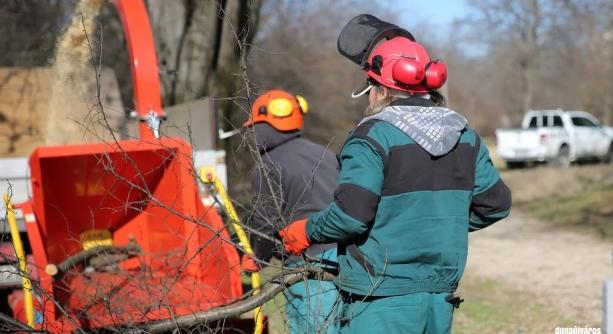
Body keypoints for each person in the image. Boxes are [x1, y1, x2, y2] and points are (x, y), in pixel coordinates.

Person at [278, 15, 512, 334]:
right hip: (438, 296)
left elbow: (350, 216)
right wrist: (438, 222)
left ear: (377, 88)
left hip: (379, 300)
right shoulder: (466, 136)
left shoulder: (372, 137)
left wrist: (306, 231)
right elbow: (496, 205)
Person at [242, 89, 340, 334]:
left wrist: (256, 256)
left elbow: (264, 220)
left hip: (307, 267)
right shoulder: (325, 154)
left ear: (266, 126)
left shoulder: (267, 165)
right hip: (347, 260)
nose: (250, 134)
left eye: (254, 127)